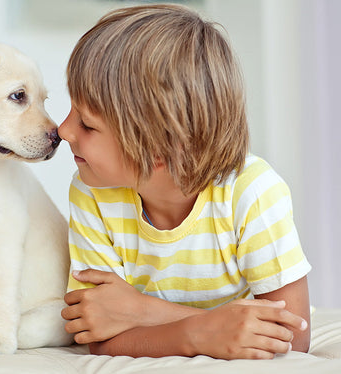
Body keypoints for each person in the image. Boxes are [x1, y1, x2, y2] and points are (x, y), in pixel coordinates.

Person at [57, 4, 311, 360]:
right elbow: (97, 334)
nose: (63, 130)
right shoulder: (90, 192)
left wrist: (145, 312)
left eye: (88, 124)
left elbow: (290, 337)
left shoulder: (252, 193)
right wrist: (199, 332)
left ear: (159, 150)